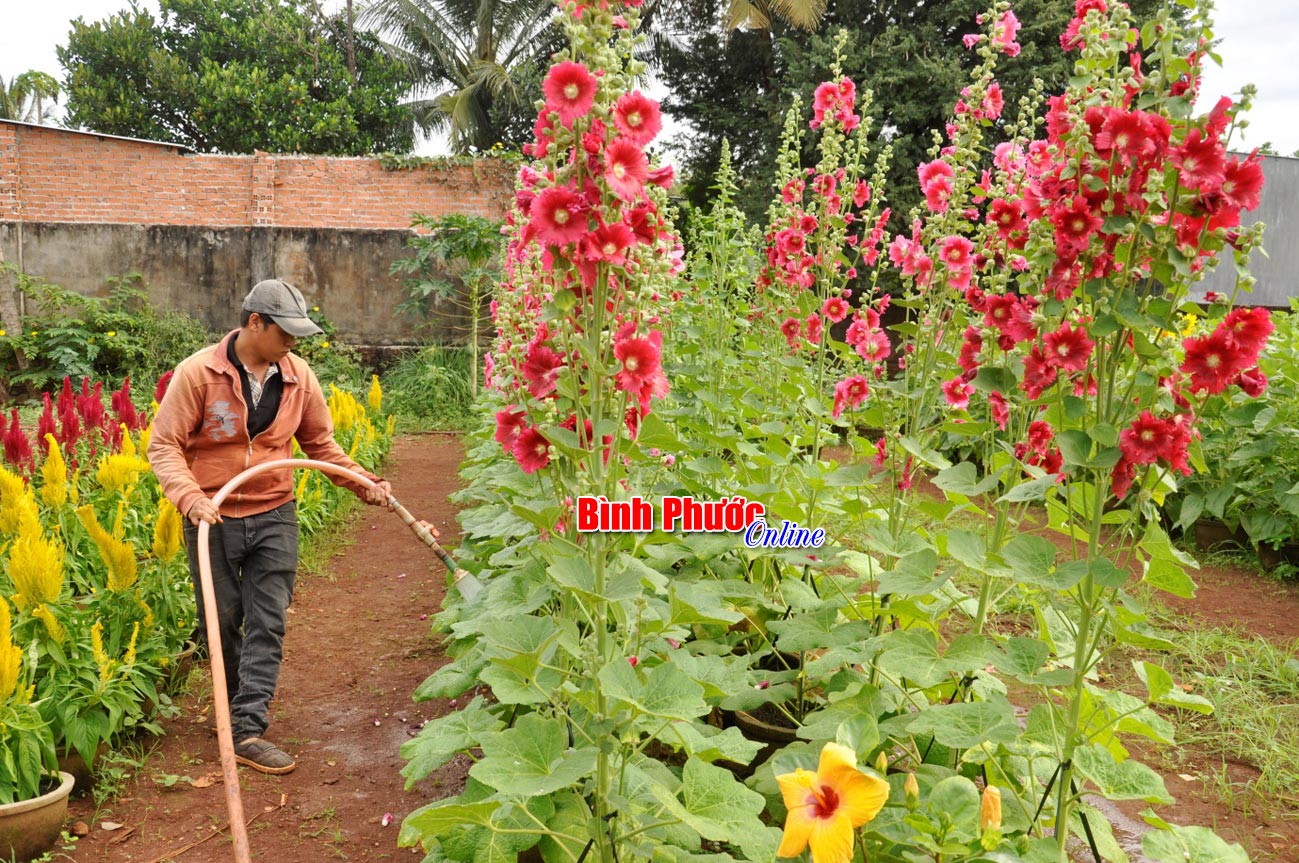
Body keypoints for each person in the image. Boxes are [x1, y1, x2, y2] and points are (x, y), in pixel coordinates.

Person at [148, 279, 392, 775]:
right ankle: (235, 707)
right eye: (286, 333)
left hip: (275, 510)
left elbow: (321, 446)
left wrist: (362, 481)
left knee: (268, 619)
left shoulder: (299, 376)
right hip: (210, 517)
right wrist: (190, 497)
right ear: (254, 323)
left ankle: (246, 727)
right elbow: (164, 446)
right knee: (221, 622)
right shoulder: (198, 375)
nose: (293, 344)